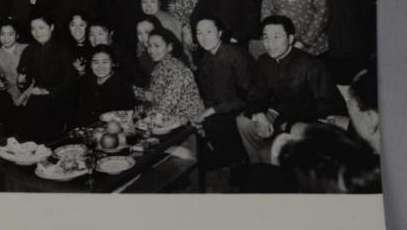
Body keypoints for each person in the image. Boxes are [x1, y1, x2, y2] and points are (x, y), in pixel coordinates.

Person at [236, 15, 344, 165]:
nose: (270, 43)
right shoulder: (264, 61)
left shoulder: (311, 65)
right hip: (279, 114)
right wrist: (258, 113)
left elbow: (327, 104)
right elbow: (256, 92)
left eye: (277, 37)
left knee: (277, 148)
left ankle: (275, 161)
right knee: (243, 121)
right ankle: (260, 166)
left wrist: (287, 120)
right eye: (266, 38)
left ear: (291, 38)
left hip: (308, 119)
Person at [135, 27, 205, 163]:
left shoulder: (178, 70)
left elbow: (165, 107)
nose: (151, 50)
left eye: (157, 46)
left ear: (170, 47)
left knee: (141, 148)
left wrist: (142, 120)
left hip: (188, 126)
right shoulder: (160, 66)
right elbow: (152, 96)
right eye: (149, 46)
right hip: (169, 121)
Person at [192, 15, 255, 168]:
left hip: (245, 105)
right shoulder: (205, 60)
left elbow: (246, 96)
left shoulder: (236, 55)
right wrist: (203, 112)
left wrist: (212, 111)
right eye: (199, 33)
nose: (203, 37)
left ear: (220, 33)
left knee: (215, 123)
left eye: (209, 32)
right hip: (223, 108)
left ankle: (238, 162)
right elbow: (208, 95)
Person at [12, 14, 77, 142]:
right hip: (38, 96)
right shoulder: (29, 50)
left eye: (41, 27)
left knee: (51, 132)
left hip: (62, 95)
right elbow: (24, 79)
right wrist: (21, 83)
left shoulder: (63, 49)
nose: (37, 32)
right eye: (33, 28)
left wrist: (48, 91)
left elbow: (71, 79)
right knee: (24, 129)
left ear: (51, 27)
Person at [75, 45, 136, 126]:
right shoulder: (87, 82)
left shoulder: (122, 84)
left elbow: (129, 115)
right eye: (96, 62)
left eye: (105, 62)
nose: (100, 67)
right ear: (90, 64)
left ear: (113, 63)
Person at [0, 18, 29, 133]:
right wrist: (0, 85)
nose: (6, 38)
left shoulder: (27, 49)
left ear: (17, 35)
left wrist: (24, 96)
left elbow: (38, 77)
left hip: (31, 92)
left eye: (10, 34)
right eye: (2, 34)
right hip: (11, 96)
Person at [134, 15, 164, 87]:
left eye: (147, 32)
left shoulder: (169, 53)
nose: (143, 37)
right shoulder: (144, 57)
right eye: (139, 33)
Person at [65, 11, 92, 76]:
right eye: (73, 25)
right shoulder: (63, 48)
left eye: (82, 25)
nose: (77, 29)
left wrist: (83, 71)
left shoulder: (94, 45)